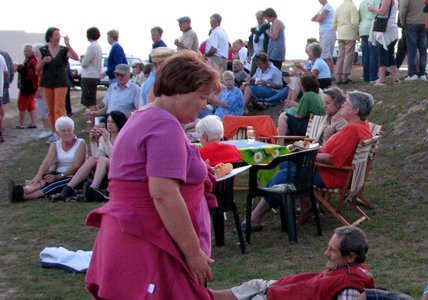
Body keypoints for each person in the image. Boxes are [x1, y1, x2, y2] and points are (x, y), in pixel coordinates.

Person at [84, 51, 220, 299]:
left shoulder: (146, 116)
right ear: (179, 90)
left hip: (135, 235)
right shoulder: (163, 125)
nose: (204, 105)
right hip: (147, 240)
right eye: (201, 97)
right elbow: (164, 195)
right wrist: (193, 253)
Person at [246, 90, 373, 230]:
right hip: (338, 173)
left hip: (333, 176)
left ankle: (255, 217)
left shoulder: (352, 130)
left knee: (285, 174)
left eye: (346, 103)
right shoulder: (362, 126)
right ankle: (306, 205)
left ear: (355, 110)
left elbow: (333, 160)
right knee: (287, 165)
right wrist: (307, 152)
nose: (342, 105)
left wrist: (306, 154)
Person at [210, 226, 375, 300]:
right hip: (276, 290)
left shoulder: (350, 285)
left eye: (332, 250)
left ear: (350, 256)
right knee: (251, 286)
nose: (326, 253)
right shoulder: (349, 268)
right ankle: (199, 293)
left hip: (275, 297)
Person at [50, 111, 127, 202]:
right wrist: (93, 142)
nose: (109, 125)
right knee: (91, 159)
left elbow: (116, 158)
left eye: (113, 122)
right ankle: (67, 189)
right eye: (108, 122)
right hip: (107, 170)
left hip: (121, 168)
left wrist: (107, 142)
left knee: (102, 159)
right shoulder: (104, 137)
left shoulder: (124, 137)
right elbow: (97, 156)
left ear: (119, 123)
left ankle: (92, 188)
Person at [9, 117, 87, 202]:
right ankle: (24, 190)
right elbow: (47, 161)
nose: (67, 133)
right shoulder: (55, 144)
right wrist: (38, 176)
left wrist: (58, 177)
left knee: (53, 184)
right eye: (63, 131)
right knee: (44, 179)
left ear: (73, 130)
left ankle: (24, 196)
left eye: (69, 130)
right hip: (58, 172)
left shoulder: (80, 143)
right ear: (58, 133)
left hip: (74, 175)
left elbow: (77, 166)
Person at [36, 27, 80, 140]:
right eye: (56, 34)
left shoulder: (64, 50)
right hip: (47, 82)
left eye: (59, 34)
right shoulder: (43, 50)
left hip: (61, 82)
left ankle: (61, 132)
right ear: (50, 36)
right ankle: (54, 133)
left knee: (58, 109)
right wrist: (43, 61)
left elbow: (76, 57)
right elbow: (37, 68)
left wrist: (68, 43)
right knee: (50, 110)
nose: (58, 37)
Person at [277, 75, 326, 141]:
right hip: (316, 128)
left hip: (307, 128)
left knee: (283, 116)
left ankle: (280, 144)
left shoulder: (307, 95)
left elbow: (299, 116)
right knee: (284, 128)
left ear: (303, 86)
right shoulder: (317, 96)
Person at [369, 0, 401, 86]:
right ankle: (395, 78)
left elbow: (382, 12)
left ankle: (382, 79)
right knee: (390, 55)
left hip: (385, 30)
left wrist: (373, 8)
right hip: (391, 29)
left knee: (382, 54)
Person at [399, 0, 428, 81]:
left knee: (412, 49)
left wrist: (402, 21)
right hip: (425, 21)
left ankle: (413, 73)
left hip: (411, 21)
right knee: (423, 49)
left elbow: (403, 8)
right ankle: (422, 73)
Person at [334, 0, 360, 85]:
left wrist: (338, 30)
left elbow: (333, 23)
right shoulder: (352, 7)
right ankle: (345, 77)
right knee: (348, 56)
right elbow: (355, 22)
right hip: (350, 34)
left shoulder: (339, 7)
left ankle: (338, 78)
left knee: (340, 56)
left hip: (340, 33)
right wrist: (357, 32)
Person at [16, 44, 39, 130]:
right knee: (30, 105)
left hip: (27, 86)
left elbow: (30, 74)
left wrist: (19, 68)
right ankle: (33, 122)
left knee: (22, 104)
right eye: (24, 51)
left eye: (26, 51)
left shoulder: (32, 61)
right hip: (31, 86)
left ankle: (21, 122)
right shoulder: (30, 60)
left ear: (31, 51)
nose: (24, 53)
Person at [314, 0, 338, 79]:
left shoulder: (328, 7)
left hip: (328, 32)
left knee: (327, 54)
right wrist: (317, 17)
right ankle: (326, 73)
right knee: (323, 54)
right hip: (324, 33)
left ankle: (331, 74)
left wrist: (317, 17)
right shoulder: (323, 8)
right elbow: (313, 18)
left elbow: (319, 19)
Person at [359, 0, 381, 83]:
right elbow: (380, 13)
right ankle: (373, 76)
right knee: (373, 53)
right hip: (371, 28)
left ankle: (366, 76)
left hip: (363, 28)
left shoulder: (362, 3)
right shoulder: (377, 1)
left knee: (365, 54)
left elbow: (360, 16)